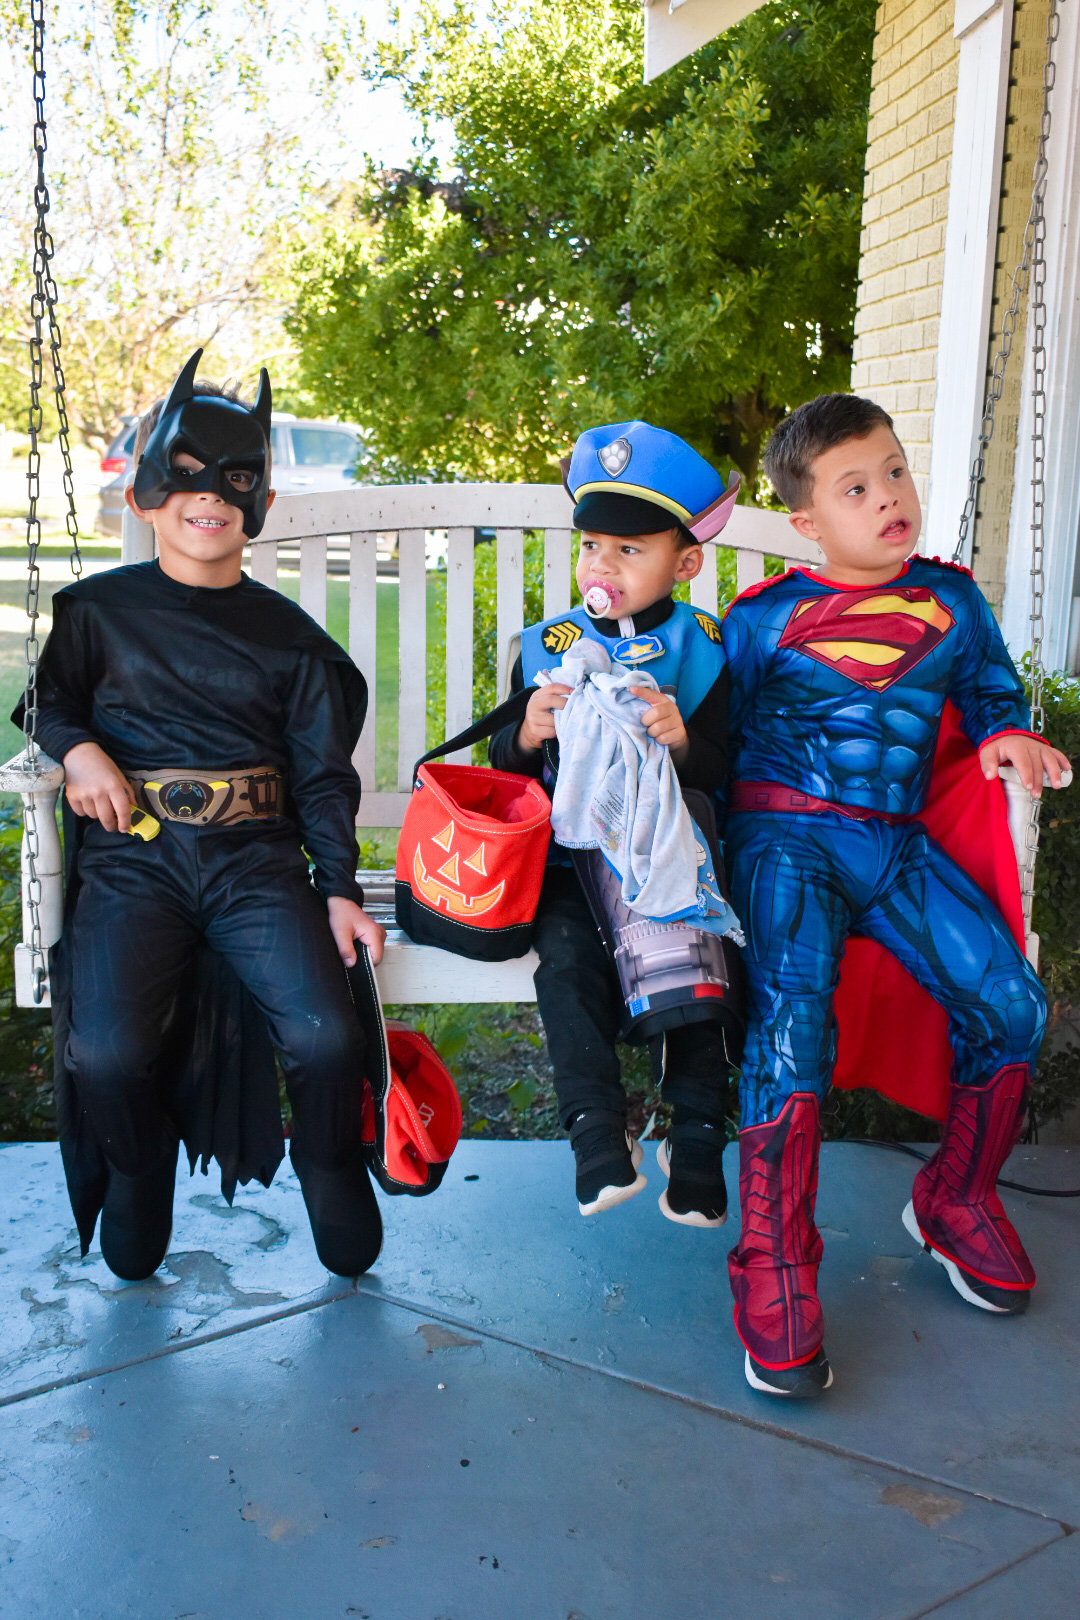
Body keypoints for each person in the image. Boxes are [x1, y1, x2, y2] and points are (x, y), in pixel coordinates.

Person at [722, 392, 1071, 1399]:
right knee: (792, 1033)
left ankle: (955, 1198)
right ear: (807, 523)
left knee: (1011, 1002)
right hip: (784, 840)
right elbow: (715, 745)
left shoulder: (956, 603)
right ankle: (773, 1263)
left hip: (896, 843)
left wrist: (1007, 732)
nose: (888, 499)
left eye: (895, 473)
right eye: (855, 487)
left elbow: (993, 696)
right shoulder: (762, 620)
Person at [19, 349, 387, 1283]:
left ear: (257, 502)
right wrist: (82, 749)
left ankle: (329, 1163)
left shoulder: (291, 642)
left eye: (236, 479)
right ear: (149, 492)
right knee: (104, 1052)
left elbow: (319, 776)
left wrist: (339, 888)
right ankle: (139, 1174)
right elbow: (50, 701)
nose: (209, 497)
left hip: (253, 863)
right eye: (186, 477)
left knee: (325, 1034)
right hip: (134, 862)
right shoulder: (97, 613)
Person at [490, 420, 740, 1224]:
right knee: (563, 963)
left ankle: (697, 1134)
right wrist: (528, 732)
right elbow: (506, 771)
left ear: (686, 561)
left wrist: (683, 740)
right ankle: (598, 1135)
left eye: (630, 550)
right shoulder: (547, 646)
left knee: (703, 958)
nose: (603, 565)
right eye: (593, 545)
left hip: (671, 861)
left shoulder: (701, 648)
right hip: (572, 867)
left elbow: (726, 768)